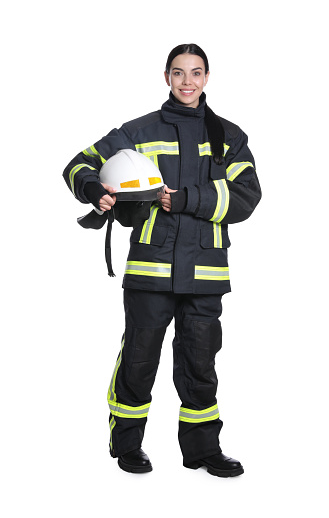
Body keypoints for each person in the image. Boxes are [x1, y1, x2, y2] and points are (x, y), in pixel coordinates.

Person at [63, 44, 261, 477]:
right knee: (139, 357)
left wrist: (188, 198)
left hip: (206, 272)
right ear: (166, 77)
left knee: (199, 362)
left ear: (207, 78)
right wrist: (95, 191)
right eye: (178, 73)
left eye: (195, 73)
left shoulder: (228, 135)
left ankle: (203, 450)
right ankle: (127, 443)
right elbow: (79, 165)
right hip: (151, 269)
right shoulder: (139, 130)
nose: (187, 82)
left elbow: (247, 195)